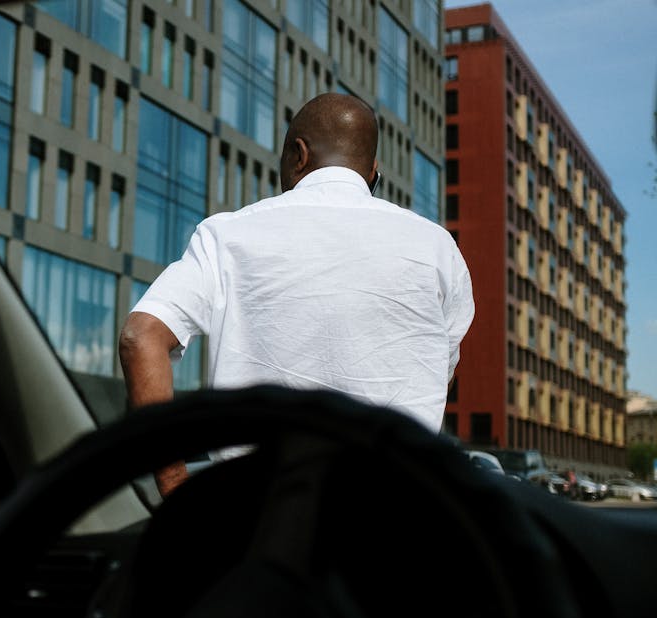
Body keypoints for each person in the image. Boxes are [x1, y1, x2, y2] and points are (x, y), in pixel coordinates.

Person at [119, 93, 474, 497]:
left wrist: (176, 495)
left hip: (259, 522)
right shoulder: (437, 248)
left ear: (297, 155)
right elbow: (436, 374)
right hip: (394, 523)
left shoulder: (227, 236)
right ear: (373, 172)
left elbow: (140, 336)